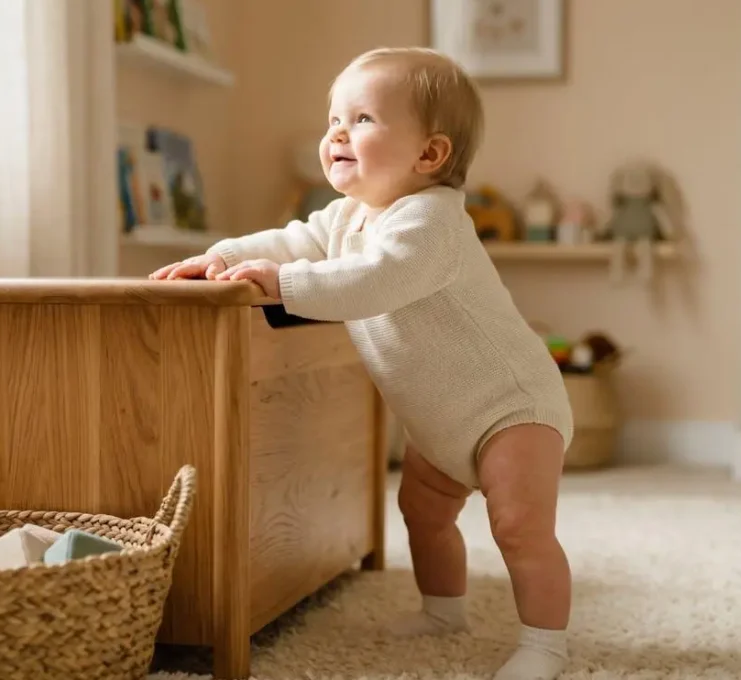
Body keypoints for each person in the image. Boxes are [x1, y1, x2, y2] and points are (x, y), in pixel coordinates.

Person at [150, 46, 574, 680]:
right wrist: (219, 256)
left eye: (363, 119)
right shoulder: (349, 215)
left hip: (510, 407)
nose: (337, 133)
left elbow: (375, 281)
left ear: (429, 155)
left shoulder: (432, 223)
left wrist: (283, 283)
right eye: (333, 119)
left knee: (518, 527)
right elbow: (291, 240)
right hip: (440, 419)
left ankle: (546, 647)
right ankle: (443, 610)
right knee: (424, 515)